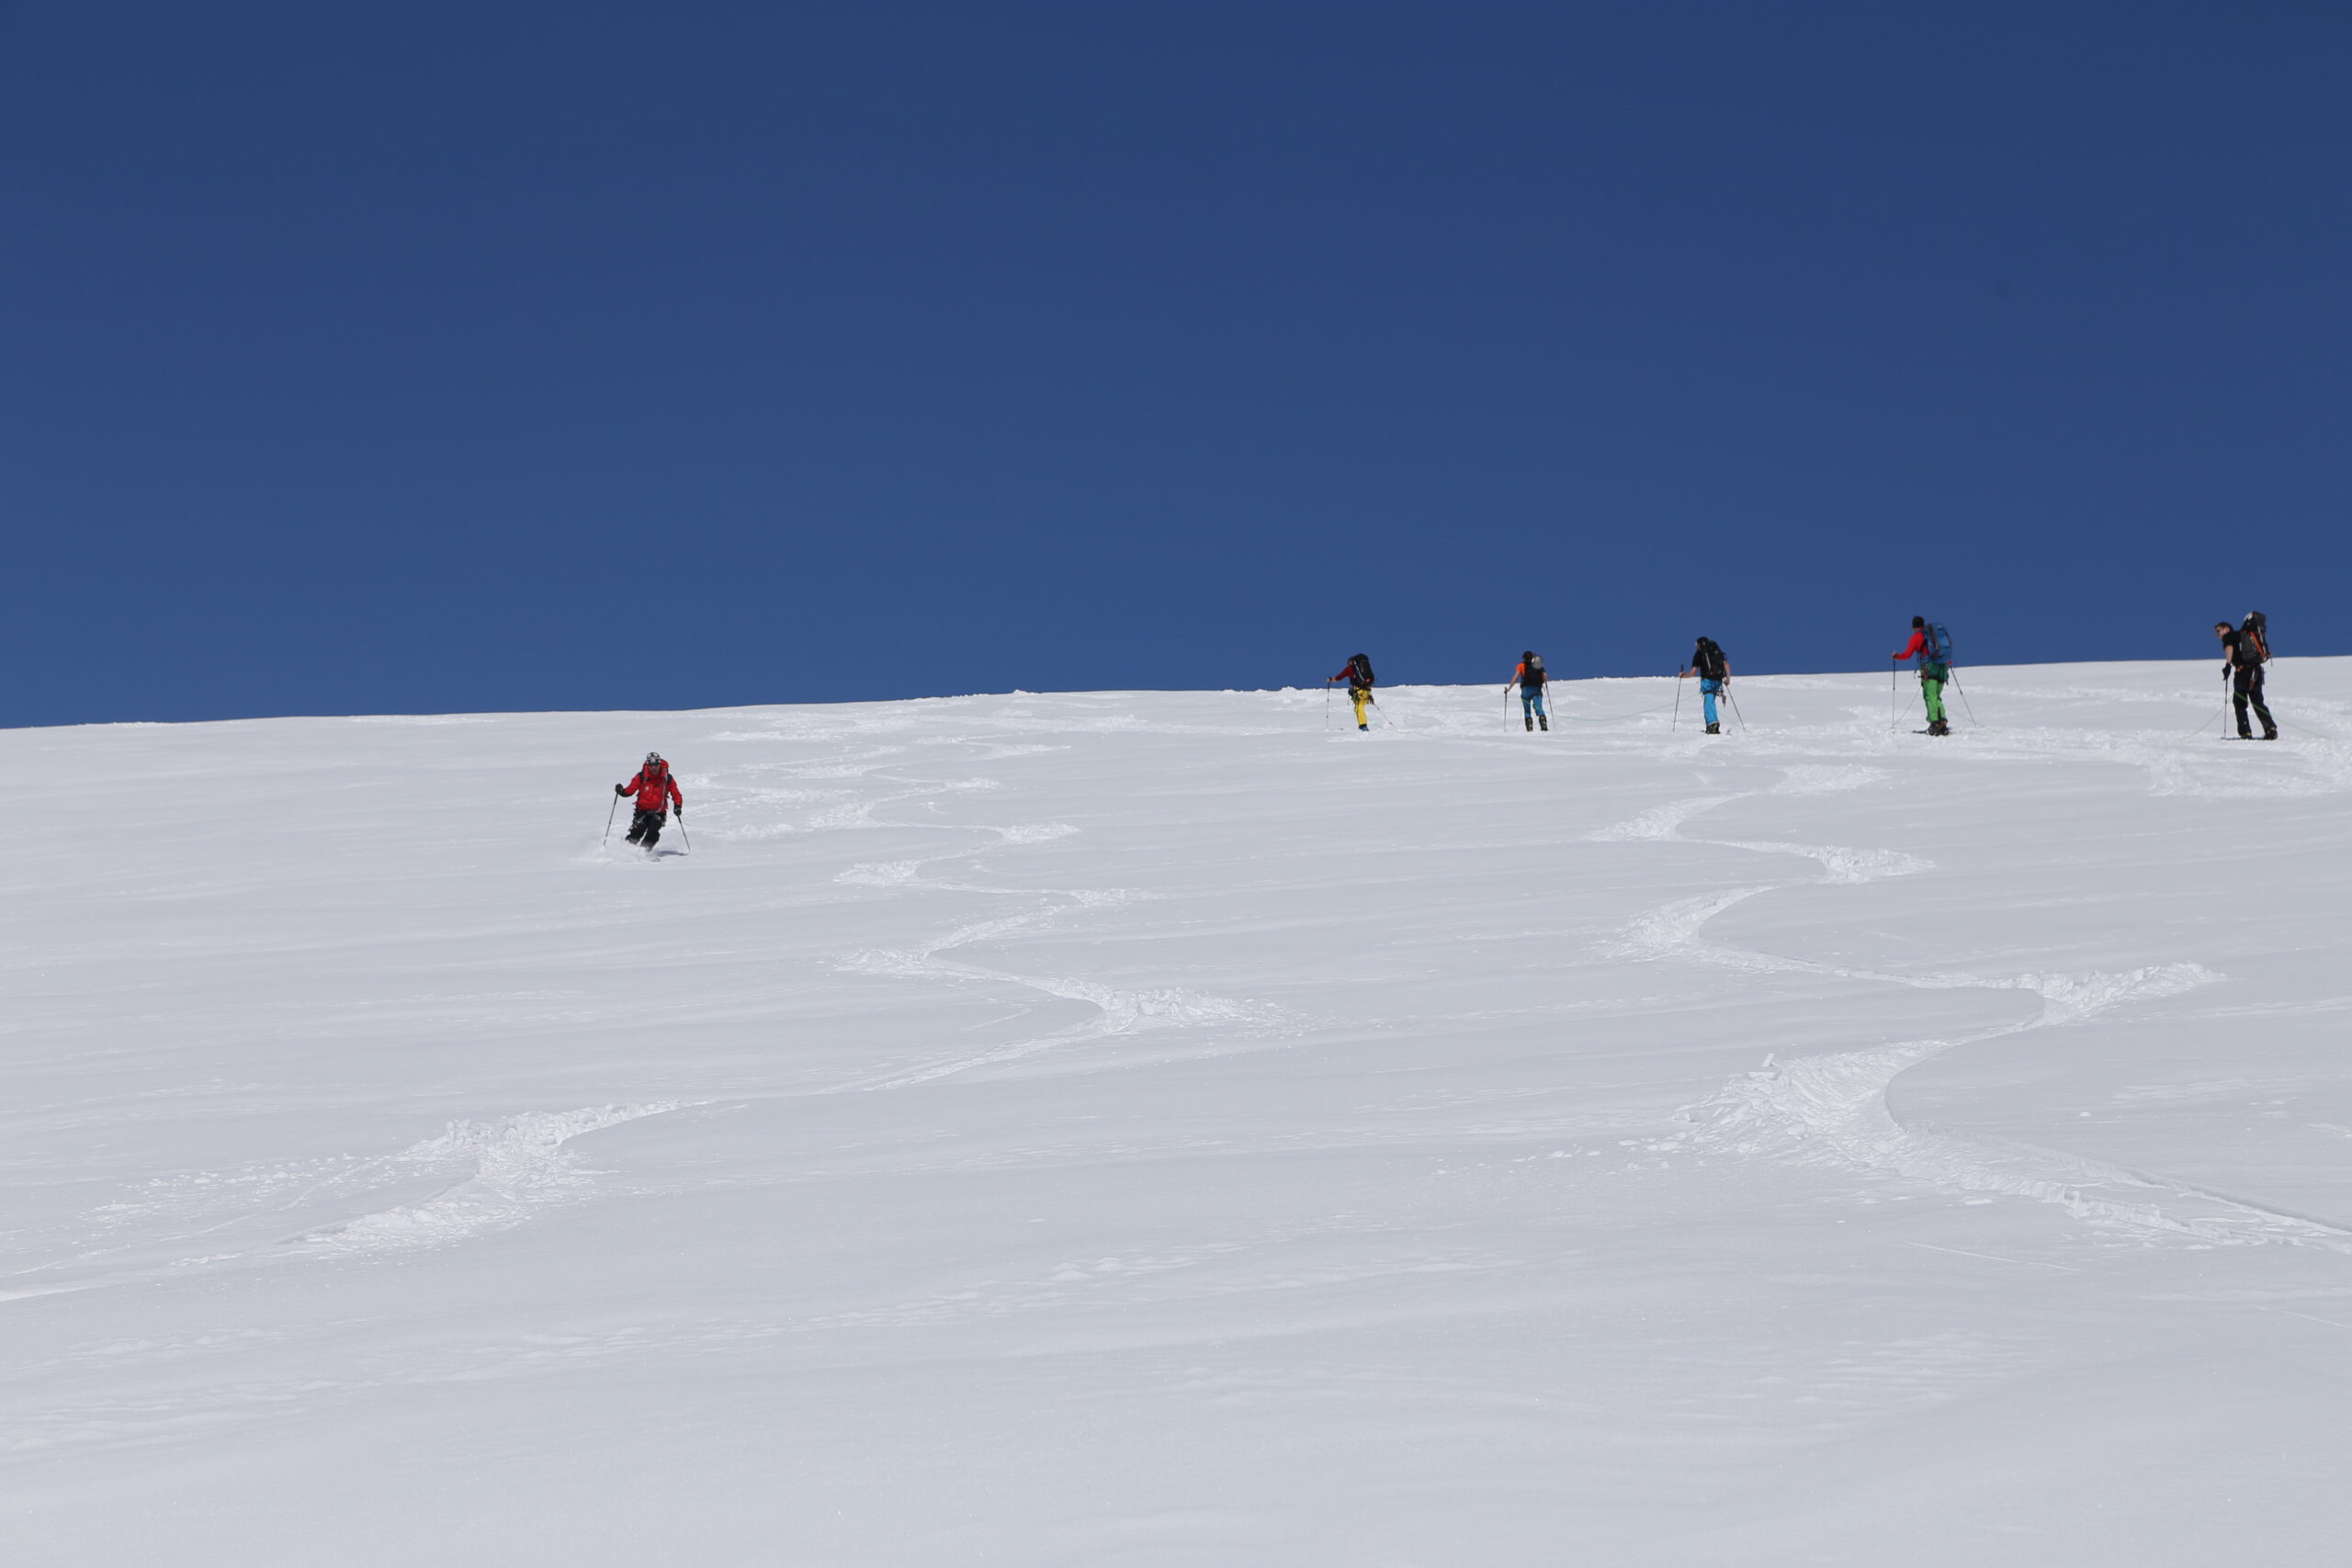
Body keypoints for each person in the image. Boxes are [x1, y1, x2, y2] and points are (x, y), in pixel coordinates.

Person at [2216, 614, 2277, 739]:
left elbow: (2229, 648)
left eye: (2218, 631)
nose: (2218, 635)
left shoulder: (2229, 636)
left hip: (2242, 673)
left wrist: (2228, 665)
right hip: (2256, 671)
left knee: (2239, 702)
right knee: (2257, 701)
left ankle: (2245, 732)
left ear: (2226, 629)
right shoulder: (2246, 636)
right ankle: (2270, 728)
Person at [1892, 616, 1951, 737]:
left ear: (1913, 627)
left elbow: (1907, 654)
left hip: (1929, 668)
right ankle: (1942, 720)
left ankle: (1935, 722)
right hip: (1943, 667)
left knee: (1930, 695)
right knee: (1937, 695)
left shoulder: (1916, 637)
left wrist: (1896, 656)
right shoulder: (1933, 635)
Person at [616, 751, 684, 848]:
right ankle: (626, 849)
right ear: (648, 765)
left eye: (656, 764)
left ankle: (644, 852)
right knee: (639, 829)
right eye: (651, 765)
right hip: (642, 811)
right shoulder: (641, 777)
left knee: (653, 830)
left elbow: (676, 794)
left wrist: (677, 806)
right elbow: (629, 791)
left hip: (659, 812)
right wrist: (621, 791)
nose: (654, 767)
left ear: (660, 764)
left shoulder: (667, 778)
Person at [1679, 637, 1729, 734]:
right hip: (1718, 680)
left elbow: (1693, 672)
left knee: (1708, 700)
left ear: (1699, 645)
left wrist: (1683, 676)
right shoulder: (1715, 650)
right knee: (1711, 700)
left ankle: (1712, 724)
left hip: (1707, 680)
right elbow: (1726, 664)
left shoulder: (1699, 654)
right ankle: (1712, 724)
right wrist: (1727, 679)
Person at [1329, 653, 1376, 730]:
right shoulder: (1365, 668)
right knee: (1360, 707)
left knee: (1359, 707)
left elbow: (1339, 677)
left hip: (1358, 691)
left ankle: (1363, 726)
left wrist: (1331, 680)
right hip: (1367, 692)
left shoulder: (1350, 668)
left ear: (1351, 662)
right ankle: (1362, 725)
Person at [1509, 651, 1549, 731]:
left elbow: (1516, 677)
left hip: (1526, 690)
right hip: (1536, 689)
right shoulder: (1538, 665)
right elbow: (1545, 677)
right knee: (1539, 707)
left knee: (1527, 710)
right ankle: (1543, 724)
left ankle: (1529, 726)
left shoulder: (1521, 666)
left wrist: (1509, 688)